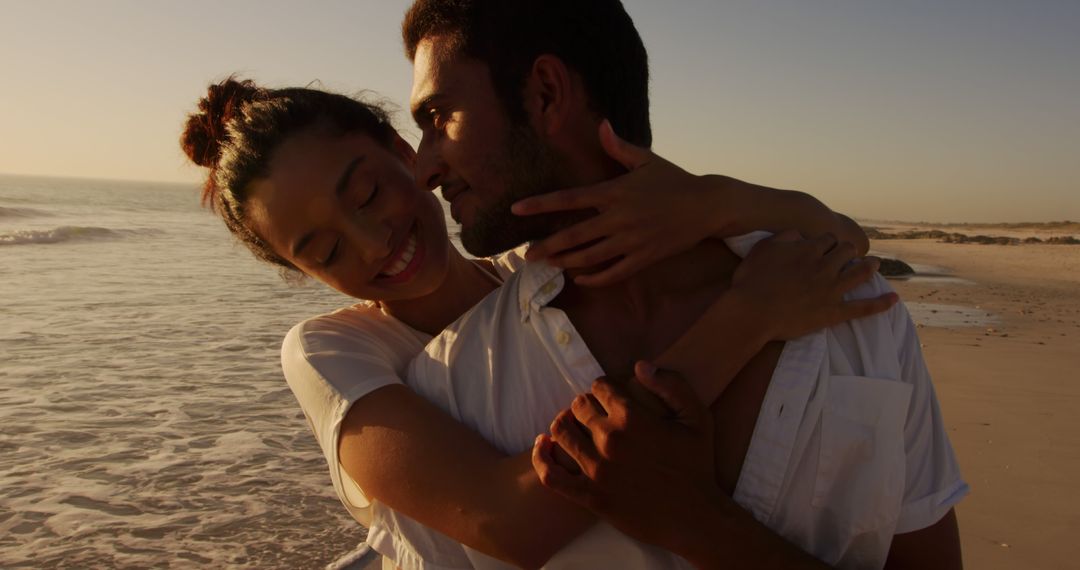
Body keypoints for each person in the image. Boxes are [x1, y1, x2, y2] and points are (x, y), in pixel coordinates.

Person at [180, 77, 886, 568]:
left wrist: (710, 201)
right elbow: (503, 523)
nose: (372, 242)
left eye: (367, 192)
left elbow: (841, 237)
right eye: (327, 250)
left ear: (405, 153)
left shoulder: (537, 268)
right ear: (304, 273)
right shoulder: (335, 348)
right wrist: (747, 319)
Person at [391, 0, 969, 568]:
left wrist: (695, 523)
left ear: (546, 93)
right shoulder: (452, 386)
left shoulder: (855, 308)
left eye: (439, 117)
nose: (424, 168)